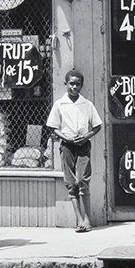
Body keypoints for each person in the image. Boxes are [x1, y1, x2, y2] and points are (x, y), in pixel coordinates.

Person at [46, 69, 102, 232]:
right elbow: (53, 127)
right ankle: (79, 220)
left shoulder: (87, 104)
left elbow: (97, 125)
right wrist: (65, 138)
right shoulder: (59, 104)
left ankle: (88, 219)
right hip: (67, 145)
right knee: (71, 183)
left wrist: (86, 136)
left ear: (82, 85)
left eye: (77, 84)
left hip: (83, 145)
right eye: (71, 83)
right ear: (65, 84)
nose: (74, 87)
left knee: (83, 180)